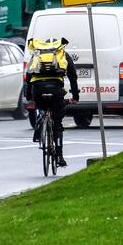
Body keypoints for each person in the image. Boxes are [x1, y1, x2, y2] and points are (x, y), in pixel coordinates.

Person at [25, 36, 79, 168]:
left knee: (41, 107)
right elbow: (72, 76)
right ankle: (59, 156)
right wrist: (75, 96)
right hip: (56, 90)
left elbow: (28, 76)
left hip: (38, 89)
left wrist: (28, 95)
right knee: (57, 123)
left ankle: (40, 124)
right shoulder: (62, 55)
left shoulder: (37, 54)